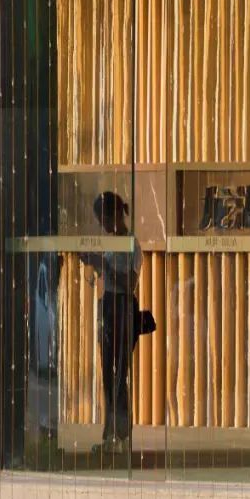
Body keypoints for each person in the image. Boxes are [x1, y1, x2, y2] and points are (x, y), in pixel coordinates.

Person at [80, 192, 147, 455]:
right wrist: (94, 264)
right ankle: (110, 434)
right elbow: (107, 275)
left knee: (120, 376)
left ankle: (122, 435)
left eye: (104, 219)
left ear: (116, 214)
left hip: (123, 306)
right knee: (108, 373)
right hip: (108, 304)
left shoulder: (132, 244)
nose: (103, 225)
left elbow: (130, 283)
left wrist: (104, 266)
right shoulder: (111, 243)